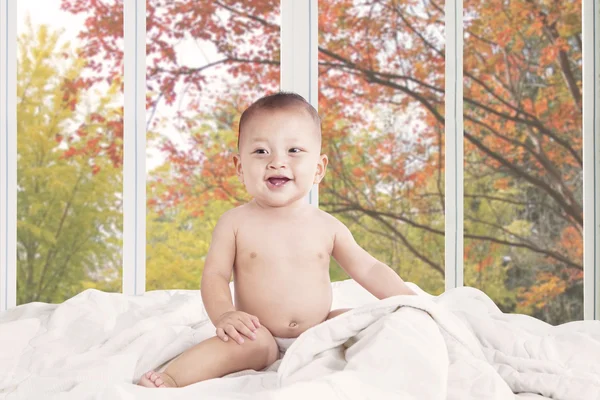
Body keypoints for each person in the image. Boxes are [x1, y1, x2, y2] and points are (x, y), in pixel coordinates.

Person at [138, 92, 417, 388]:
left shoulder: (327, 226)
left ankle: (404, 366)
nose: (277, 162)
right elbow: (215, 275)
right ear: (239, 167)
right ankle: (172, 377)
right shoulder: (235, 222)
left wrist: (408, 300)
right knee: (243, 342)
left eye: (294, 150)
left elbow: (369, 269)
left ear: (319, 169)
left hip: (318, 330)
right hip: (260, 333)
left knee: (363, 323)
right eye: (261, 152)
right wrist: (226, 315)